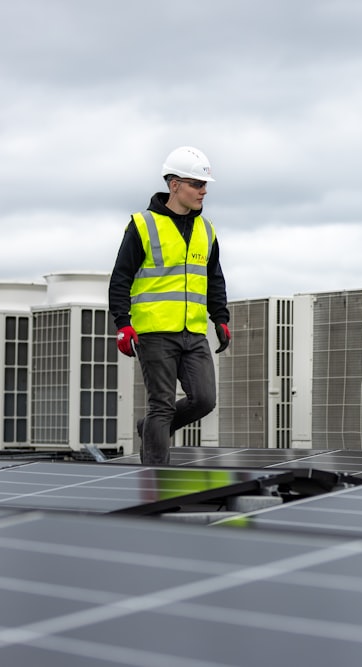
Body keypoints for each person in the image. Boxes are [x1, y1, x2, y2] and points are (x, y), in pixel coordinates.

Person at [109, 146, 231, 465]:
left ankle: (150, 430)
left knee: (204, 400)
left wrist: (220, 317)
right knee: (161, 406)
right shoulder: (143, 225)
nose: (203, 191)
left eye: (205, 185)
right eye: (196, 184)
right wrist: (122, 324)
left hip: (193, 332)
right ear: (174, 184)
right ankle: (154, 483)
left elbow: (214, 276)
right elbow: (120, 278)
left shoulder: (207, 229)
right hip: (155, 332)